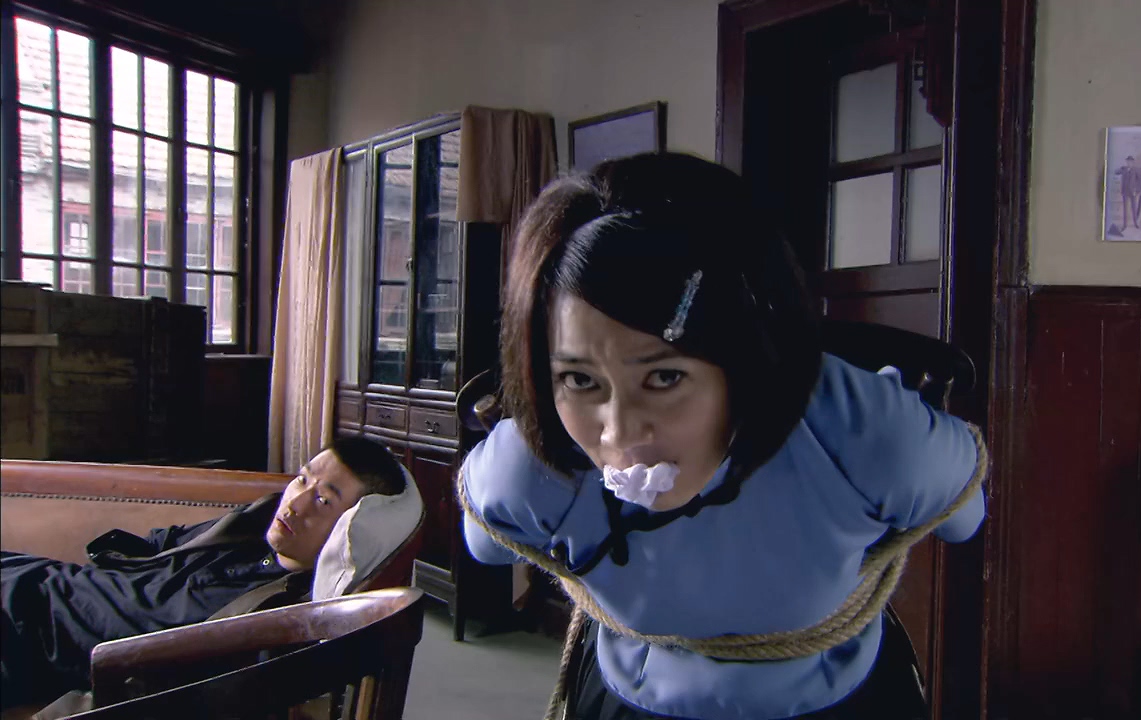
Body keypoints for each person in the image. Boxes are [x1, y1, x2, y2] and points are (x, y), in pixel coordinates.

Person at [458, 152, 988, 720]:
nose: (620, 432)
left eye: (665, 377)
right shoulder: (538, 463)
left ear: (748, 356)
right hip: (629, 698)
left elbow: (964, 514)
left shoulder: (860, 433)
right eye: (580, 380)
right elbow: (484, 542)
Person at [0, 436, 407, 711]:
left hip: (36, 633)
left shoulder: (279, 611)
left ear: (348, 528)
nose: (295, 503)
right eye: (302, 479)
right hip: (50, 581)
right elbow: (164, 541)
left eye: (323, 501)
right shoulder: (250, 526)